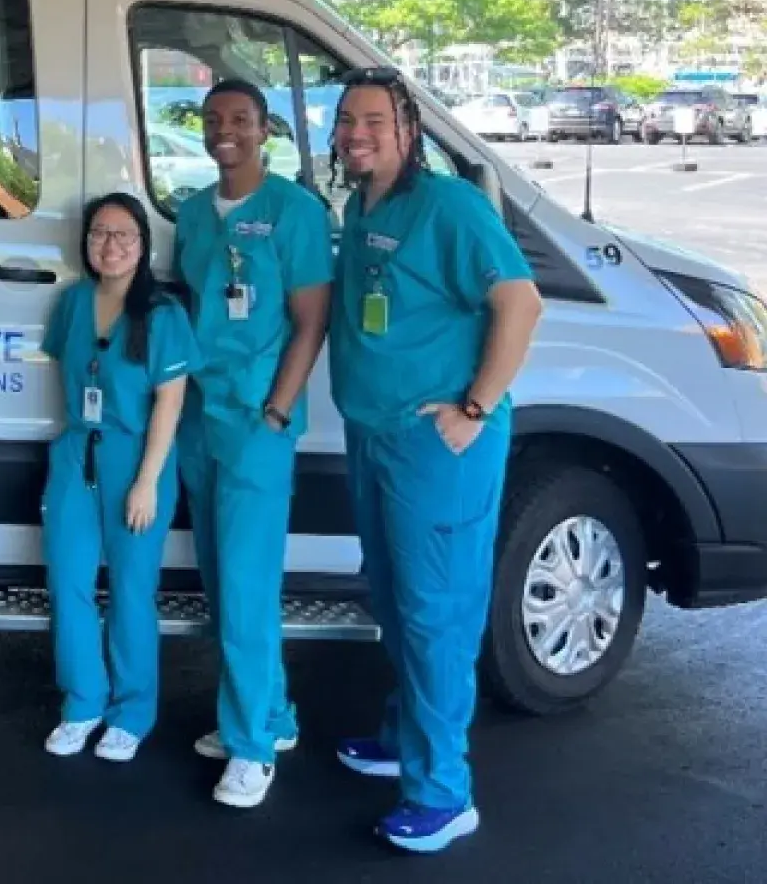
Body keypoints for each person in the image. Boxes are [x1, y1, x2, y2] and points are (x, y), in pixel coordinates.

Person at [326, 68, 542, 854]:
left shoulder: (448, 206)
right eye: (347, 119)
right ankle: (403, 739)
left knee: (434, 615)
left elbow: (520, 301)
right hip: (374, 434)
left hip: (435, 445)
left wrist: (474, 407)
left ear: (409, 128)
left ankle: (443, 794)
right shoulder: (362, 202)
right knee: (392, 599)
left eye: (374, 120)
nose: (357, 132)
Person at [173, 80, 332, 809]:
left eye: (240, 119)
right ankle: (271, 714)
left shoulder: (293, 213)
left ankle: (249, 749)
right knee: (222, 580)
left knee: (244, 585)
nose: (224, 131)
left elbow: (310, 322)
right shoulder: (194, 215)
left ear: (265, 130)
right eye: (213, 120)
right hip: (202, 419)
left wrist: (276, 409)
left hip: (256, 423)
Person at [39, 192, 197, 763]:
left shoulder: (162, 315)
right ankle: (83, 703)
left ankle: (131, 713)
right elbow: (68, 376)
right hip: (77, 456)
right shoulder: (73, 303)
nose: (111, 246)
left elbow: (169, 405)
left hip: (137, 463)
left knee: (131, 590)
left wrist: (147, 481)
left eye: (124, 235)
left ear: (143, 245)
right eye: (100, 234)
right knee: (70, 583)